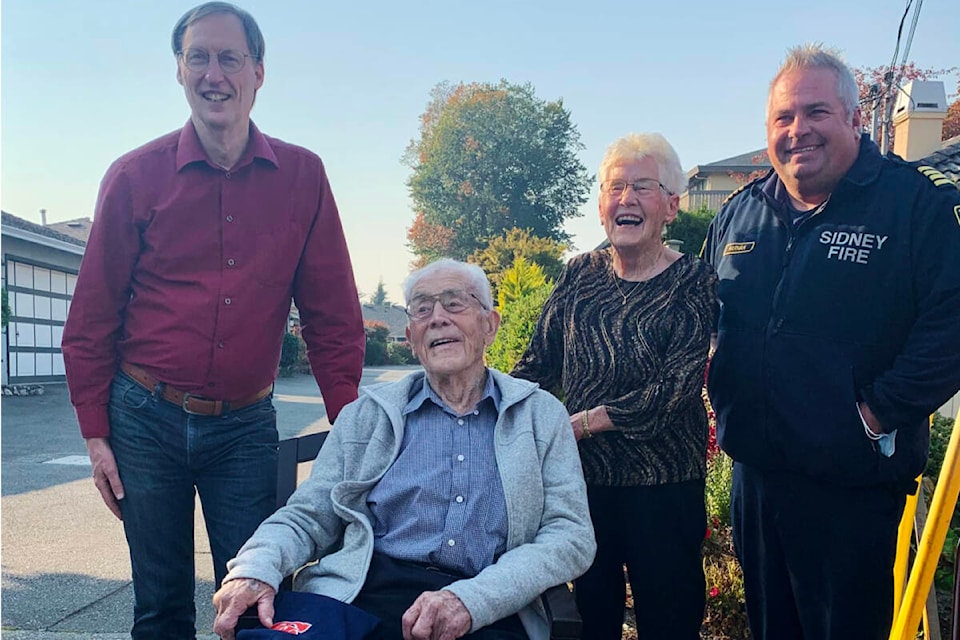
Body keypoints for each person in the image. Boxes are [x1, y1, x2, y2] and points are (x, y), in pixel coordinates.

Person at [60, 3, 365, 638]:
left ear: (258, 73)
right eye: (198, 56)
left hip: (245, 429)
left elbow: (332, 314)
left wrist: (347, 419)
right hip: (143, 419)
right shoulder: (133, 177)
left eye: (229, 57)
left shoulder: (303, 176)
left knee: (258, 598)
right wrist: (97, 435)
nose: (213, 72)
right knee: (162, 604)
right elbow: (91, 319)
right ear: (179, 71)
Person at [702, 44, 960, 640]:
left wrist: (874, 415)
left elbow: (952, 326)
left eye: (815, 113)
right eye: (783, 119)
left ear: (853, 119)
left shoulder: (911, 205)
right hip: (757, 480)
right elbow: (707, 317)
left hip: (853, 488)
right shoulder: (740, 214)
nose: (798, 131)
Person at [210, 259, 596, 640]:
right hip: (363, 597)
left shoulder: (541, 415)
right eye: (423, 308)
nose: (438, 318)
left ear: (490, 326)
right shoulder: (367, 415)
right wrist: (255, 567)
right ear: (411, 338)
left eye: (455, 302)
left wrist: (474, 599)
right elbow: (308, 515)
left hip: (487, 603)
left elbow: (570, 535)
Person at [512, 133, 719, 639]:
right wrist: (487, 406)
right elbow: (537, 363)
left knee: (670, 620)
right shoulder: (580, 274)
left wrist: (582, 423)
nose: (625, 199)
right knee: (589, 621)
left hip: (664, 489)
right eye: (614, 187)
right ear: (601, 205)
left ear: (671, 205)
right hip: (583, 488)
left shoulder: (694, 280)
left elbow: (677, 388)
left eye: (641, 187)